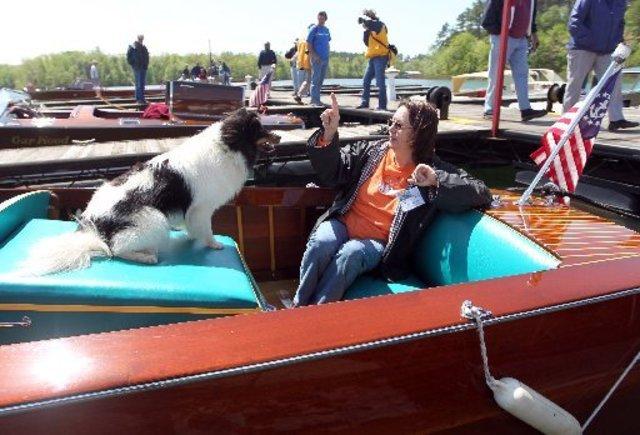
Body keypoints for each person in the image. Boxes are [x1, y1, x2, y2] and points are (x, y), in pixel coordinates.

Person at [292, 95, 492, 306]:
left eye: (398, 125)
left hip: (378, 242)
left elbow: (480, 191)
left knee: (349, 254)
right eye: (391, 123)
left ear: (416, 134)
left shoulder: (430, 170)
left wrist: (435, 180)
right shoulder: (372, 152)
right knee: (321, 243)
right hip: (343, 223)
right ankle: (299, 305)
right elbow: (333, 170)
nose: (390, 129)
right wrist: (329, 134)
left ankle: (317, 313)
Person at [564, 0, 638, 132]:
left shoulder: (620, 2)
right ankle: (567, 121)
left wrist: (618, 41)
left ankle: (616, 119)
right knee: (575, 84)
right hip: (582, 48)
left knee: (614, 83)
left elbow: (620, 23)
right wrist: (591, 41)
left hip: (607, 50)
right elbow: (574, 23)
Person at [481, 0, 547, 122]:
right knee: (495, 74)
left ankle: (525, 110)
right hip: (502, 37)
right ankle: (489, 110)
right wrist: (499, 33)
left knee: (522, 74)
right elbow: (488, 17)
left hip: (521, 39)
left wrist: (533, 34)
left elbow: (531, 17)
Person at [356, 9, 389, 111]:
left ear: (370, 17)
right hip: (372, 57)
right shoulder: (370, 29)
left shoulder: (380, 25)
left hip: (381, 56)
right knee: (366, 80)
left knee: (380, 82)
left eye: (366, 17)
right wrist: (366, 30)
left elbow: (371, 24)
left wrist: (365, 21)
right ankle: (365, 103)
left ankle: (382, 106)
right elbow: (367, 43)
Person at [307, 11, 331, 106]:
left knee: (321, 79)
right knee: (315, 79)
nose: (321, 20)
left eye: (322, 18)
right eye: (319, 18)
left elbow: (328, 42)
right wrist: (314, 55)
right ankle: (314, 100)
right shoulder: (314, 29)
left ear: (325, 19)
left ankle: (317, 98)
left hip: (325, 58)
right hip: (316, 58)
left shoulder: (326, 30)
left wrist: (328, 53)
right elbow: (308, 43)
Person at [126, 34, 149, 105]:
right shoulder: (133, 47)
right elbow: (128, 57)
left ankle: (141, 99)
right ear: (138, 38)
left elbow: (147, 57)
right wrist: (134, 64)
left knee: (141, 83)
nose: (141, 40)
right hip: (137, 68)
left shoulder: (143, 47)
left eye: (142, 38)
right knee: (139, 84)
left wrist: (146, 65)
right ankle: (140, 100)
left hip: (143, 67)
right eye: (140, 38)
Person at [294, 25, 314, 104]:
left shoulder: (301, 40)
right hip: (308, 61)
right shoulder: (309, 39)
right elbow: (307, 52)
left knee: (307, 80)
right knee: (310, 80)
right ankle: (301, 95)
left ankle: (300, 94)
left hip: (301, 62)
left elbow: (299, 52)